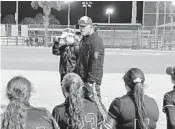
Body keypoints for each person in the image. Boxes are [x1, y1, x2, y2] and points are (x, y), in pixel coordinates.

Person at [76, 16, 105, 102]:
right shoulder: (84, 39)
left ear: (91, 27)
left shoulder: (95, 40)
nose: (81, 29)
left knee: (96, 105)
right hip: (82, 80)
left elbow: (96, 63)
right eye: (80, 26)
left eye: (84, 26)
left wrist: (91, 81)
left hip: (91, 82)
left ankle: (103, 116)